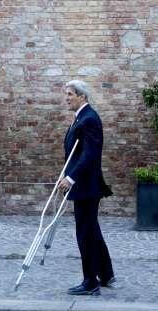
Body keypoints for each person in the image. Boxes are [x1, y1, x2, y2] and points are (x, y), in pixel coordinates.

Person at [58, 80, 114, 296]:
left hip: (86, 185)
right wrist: (65, 173)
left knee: (85, 234)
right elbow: (76, 153)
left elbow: (90, 155)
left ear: (82, 96)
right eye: (66, 93)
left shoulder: (89, 119)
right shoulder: (81, 117)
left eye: (70, 94)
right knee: (92, 230)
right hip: (83, 183)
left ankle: (90, 281)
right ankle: (106, 274)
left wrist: (71, 178)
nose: (66, 98)